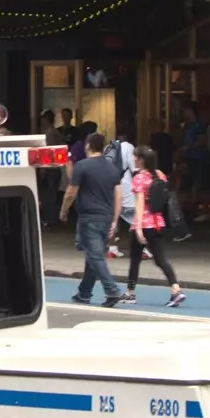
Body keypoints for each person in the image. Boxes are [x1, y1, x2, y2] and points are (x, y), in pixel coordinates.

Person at [59, 132, 123, 307]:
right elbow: (119, 194)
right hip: (107, 216)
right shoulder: (111, 167)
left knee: (95, 256)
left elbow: (71, 191)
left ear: (87, 146)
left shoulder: (82, 166)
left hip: (89, 217)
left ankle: (112, 290)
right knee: (93, 257)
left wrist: (64, 210)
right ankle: (84, 292)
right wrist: (115, 219)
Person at [125, 147, 186, 308]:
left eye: (136, 157)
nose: (134, 160)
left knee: (135, 261)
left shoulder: (139, 178)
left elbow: (139, 204)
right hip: (158, 222)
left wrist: (137, 227)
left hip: (143, 223)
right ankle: (176, 289)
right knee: (161, 259)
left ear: (142, 159)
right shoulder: (160, 175)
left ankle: (130, 293)